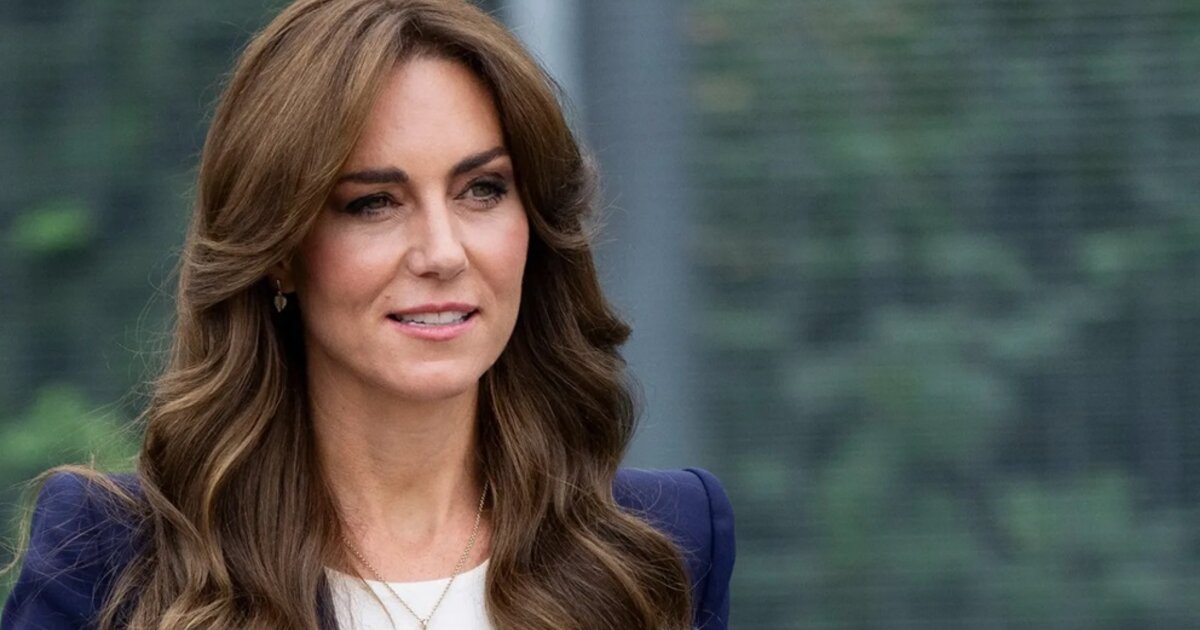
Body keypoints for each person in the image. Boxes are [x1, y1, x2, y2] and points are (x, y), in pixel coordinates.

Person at [0, 1, 734, 628]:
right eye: (373, 202)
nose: (442, 253)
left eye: (482, 189)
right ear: (280, 249)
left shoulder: (661, 543)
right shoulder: (112, 555)